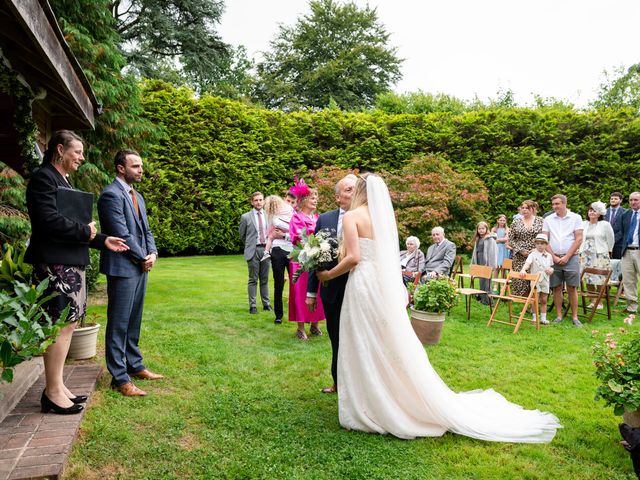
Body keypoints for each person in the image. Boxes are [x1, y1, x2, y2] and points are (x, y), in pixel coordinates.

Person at [315, 174, 559, 441]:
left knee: (360, 339)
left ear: (359, 191)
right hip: (380, 286)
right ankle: (381, 396)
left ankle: (365, 405)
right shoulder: (381, 218)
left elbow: (354, 257)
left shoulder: (352, 217)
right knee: (382, 339)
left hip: (362, 284)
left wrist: (328, 276)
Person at [25, 130, 128, 414]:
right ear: (60, 150)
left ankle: (57, 387)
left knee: (68, 324)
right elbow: (47, 221)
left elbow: (78, 226)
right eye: (78, 152)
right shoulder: (43, 178)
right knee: (58, 326)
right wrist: (86, 231)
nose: (82, 158)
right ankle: (53, 391)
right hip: (54, 263)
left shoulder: (63, 180)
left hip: (70, 261)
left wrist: (102, 240)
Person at [98, 149, 163, 397]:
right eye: (135, 166)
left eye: (141, 166)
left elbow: (146, 231)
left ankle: (135, 366)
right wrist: (141, 257)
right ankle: (119, 377)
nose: (141, 170)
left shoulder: (138, 196)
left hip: (139, 266)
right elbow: (121, 234)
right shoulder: (110, 196)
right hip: (122, 267)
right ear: (120, 168)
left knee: (134, 320)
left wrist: (152, 253)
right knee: (119, 323)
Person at [307, 174, 357, 394]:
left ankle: (358, 386)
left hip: (357, 286)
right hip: (331, 290)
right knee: (335, 336)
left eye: (356, 188)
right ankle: (338, 382)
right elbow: (313, 255)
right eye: (348, 189)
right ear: (337, 197)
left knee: (357, 338)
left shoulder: (368, 219)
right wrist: (311, 291)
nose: (353, 192)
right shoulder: (325, 219)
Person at [289, 180, 325, 340]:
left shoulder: (319, 218)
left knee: (317, 291)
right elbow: (298, 238)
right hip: (301, 261)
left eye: (316, 197)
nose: (315, 200)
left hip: (317, 260)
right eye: (312, 198)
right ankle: (301, 327)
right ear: (303, 201)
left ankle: (315, 324)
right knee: (301, 292)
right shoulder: (296, 218)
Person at [542, 194, 584, 327]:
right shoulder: (548, 219)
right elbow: (544, 239)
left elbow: (578, 239)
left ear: (564, 204)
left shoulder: (576, 218)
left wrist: (567, 257)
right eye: (553, 204)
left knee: (572, 287)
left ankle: (575, 317)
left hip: (571, 257)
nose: (554, 207)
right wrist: (553, 256)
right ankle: (559, 315)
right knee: (556, 287)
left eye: (557, 204)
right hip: (553, 257)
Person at [262, 195, 294, 323]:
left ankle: (299, 314)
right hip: (277, 250)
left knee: (296, 283)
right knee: (279, 284)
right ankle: (279, 315)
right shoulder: (271, 216)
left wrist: (284, 235)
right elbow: (269, 234)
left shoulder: (291, 211)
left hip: (292, 249)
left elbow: (298, 231)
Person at [239, 192, 272, 314]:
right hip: (253, 251)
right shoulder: (246, 217)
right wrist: (250, 245)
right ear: (252, 202)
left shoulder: (269, 216)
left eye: (260, 200)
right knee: (253, 279)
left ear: (263, 201)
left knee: (264, 279)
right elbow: (242, 235)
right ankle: (252, 306)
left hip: (266, 250)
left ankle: (266, 304)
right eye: (256, 200)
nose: (258, 202)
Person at [578, 201, 614, 308]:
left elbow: (611, 239)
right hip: (585, 255)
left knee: (599, 278)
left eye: (594, 211)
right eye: (590, 210)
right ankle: (592, 300)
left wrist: (608, 251)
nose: (592, 212)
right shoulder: (583, 224)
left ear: (600, 213)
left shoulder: (605, 224)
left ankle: (600, 301)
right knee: (587, 277)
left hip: (600, 255)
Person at [508, 200, 544, 297]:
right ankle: (526, 303)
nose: (524, 210)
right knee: (521, 280)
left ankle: (534, 304)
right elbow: (510, 239)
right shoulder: (516, 221)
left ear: (533, 209)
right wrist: (520, 250)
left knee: (535, 280)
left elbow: (544, 237)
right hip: (520, 256)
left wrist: (536, 249)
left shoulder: (540, 221)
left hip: (536, 254)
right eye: (522, 208)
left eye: (527, 208)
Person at [519, 233, 554, 325]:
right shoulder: (532, 254)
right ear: (535, 244)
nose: (540, 245)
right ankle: (534, 318)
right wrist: (523, 269)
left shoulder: (549, 255)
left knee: (544, 299)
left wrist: (551, 270)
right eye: (538, 243)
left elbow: (551, 267)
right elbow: (527, 263)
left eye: (542, 243)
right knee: (535, 299)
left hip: (545, 279)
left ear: (546, 245)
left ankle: (543, 318)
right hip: (535, 280)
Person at [620, 192, 640, 314]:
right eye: (631, 200)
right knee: (628, 280)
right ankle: (632, 307)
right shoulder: (626, 214)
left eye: (636, 200)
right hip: (627, 251)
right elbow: (622, 232)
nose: (633, 202)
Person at [470, 221, 498, 304]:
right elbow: (475, 252)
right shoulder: (478, 239)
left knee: (487, 281)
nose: (481, 230)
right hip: (479, 260)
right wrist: (473, 263)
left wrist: (491, 265)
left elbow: (493, 253)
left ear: (486, 229)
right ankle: (482, 299)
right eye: (479, 229)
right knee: (481, 281)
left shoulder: (490, 239)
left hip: (486, 262)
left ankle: (488, 301)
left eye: (483, 228)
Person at [606, 192, 627, 260]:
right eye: (611, 199)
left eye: (615, 199)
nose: (613, 200)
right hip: (604, 243)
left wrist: (612, 239)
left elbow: (624, 229)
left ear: (620, 200)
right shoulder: (604, 212)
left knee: (618, 265)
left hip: (618, 244)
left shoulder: (625, 212)